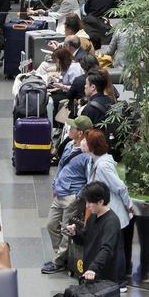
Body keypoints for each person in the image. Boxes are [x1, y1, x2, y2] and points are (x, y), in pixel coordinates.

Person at [80, 129, 133, 286]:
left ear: (92, 146)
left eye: (86, 141)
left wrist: (129, 205)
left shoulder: (103, 166)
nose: (82, 142)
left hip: (113, 213)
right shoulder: (95, 162)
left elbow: (120, 187)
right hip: (104, 212)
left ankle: (121, 281)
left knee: (117, 249)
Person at [42, 119, 91, 275]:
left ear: (81, 132)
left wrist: (78, 196)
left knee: (66, 229)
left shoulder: (86, 154)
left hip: (72, 196)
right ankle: (62, 256)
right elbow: (61, 166)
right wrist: (55, 184)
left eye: (73, 128)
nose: (69, 129)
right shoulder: (69, 145)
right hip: (60, 193)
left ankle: (59, 261)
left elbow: (90, 179)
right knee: (51, 225)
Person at [66, 181, 124, 285]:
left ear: (101, 202)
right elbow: (85, 240)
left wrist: (93, 268)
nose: (87, 206)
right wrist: (74, 233)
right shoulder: (93, 216)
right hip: (89, 273)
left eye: (90, 202)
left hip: (104, 278)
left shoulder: (111, 222)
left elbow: (107, 249)